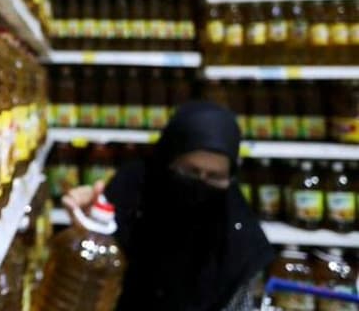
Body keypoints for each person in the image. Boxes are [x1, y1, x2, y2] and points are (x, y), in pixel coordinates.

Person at [63, 101, 273, 311]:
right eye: (190, 171)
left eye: (215, 177)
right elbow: (89, 274)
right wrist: (86, 227)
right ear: (168, 160)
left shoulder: (238, 235)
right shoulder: (132, 190)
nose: (200, 184)